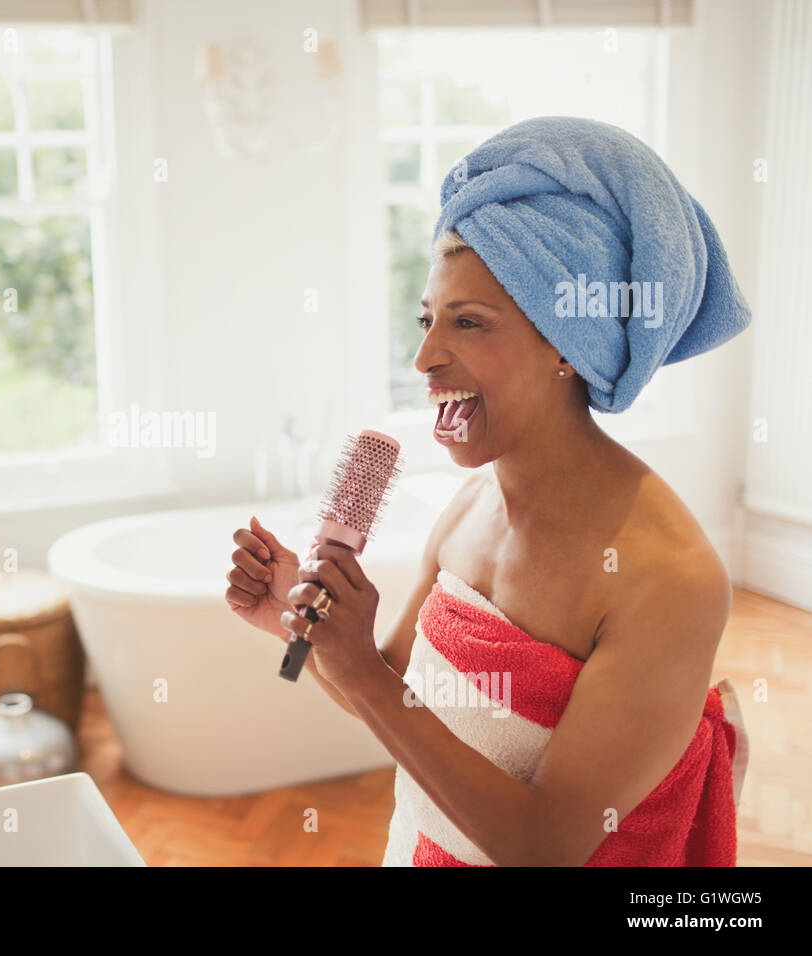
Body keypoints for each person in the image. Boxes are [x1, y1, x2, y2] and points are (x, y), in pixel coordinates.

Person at [225, 116, 750, 866]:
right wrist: (296, 623)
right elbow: (400, 698)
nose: (424, 357)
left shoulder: (669, 577)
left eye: (468, 323)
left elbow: (549, 846)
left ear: (569, 344)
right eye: (428, 319)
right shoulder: (468, 508)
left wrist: (366, 674)